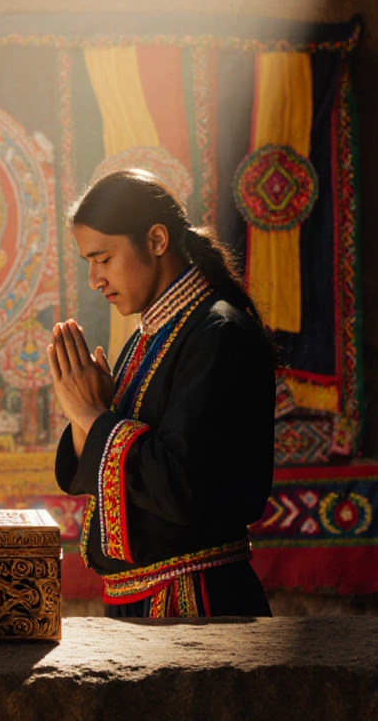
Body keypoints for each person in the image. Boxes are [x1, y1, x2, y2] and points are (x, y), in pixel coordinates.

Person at [49, 169, 275, 619]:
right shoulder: (148, 336)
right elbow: (101, 475)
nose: (95, 278)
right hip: (141, 601)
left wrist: (93, 415)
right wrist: (85, 414)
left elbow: (180, 488)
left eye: (104, 258)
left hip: (193, 602)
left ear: (155, 240)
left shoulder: (217, 333)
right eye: (87, 263)